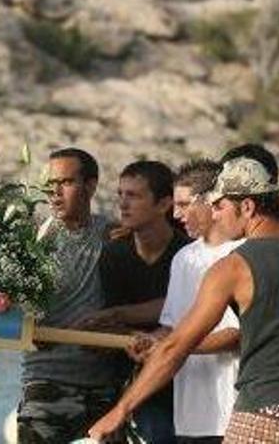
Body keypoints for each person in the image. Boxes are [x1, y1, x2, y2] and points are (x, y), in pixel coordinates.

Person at [89, 157, 279, 443]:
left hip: (260, 419)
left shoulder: (233, 267)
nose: (214, 215)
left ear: (247, 207)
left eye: (219, 206)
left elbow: (176, 347)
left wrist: (120, 410)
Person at [16, 148, 119, 443]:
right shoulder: (37, 240)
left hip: (103, 389)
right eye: (50, 184)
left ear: (91, 185)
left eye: (66, 182)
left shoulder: (114, 236)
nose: (55, 193)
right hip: (46, 384)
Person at [136, 159, 243, 443]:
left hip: (233, 412)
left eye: (184, 205)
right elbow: (172, 327)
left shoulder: (244, 254)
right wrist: (151, 342)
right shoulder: (183, 258)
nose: (175, 214)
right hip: (189, 416)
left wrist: (171, 348)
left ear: (211, 202)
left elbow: (236, 334)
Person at [90, 160, 188, 443]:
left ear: (164, 204)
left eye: (133, 196)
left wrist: (120, 316)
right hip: (127, 380)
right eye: (120, 194)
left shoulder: (187, 254)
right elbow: (112, 322)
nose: (122, 204)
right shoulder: (114, 254)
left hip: (181, 382)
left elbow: (185, 311)